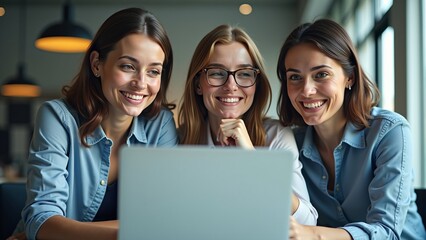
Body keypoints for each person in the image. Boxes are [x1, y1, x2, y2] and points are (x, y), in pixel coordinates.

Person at [9, 7, 178, 240]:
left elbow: (164, 218)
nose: (141, 83)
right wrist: (135, 232)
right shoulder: (57, 117)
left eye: (153, 71)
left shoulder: (161, 125)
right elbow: (42, 221)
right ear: (97, 64)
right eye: (128, 66)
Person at [277, 18, 426, 239]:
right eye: (295, 77)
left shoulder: (390, 131)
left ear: (350, 77)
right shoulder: (291, 144)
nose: (306, 90)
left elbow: (386, 231)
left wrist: (312, 234)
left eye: (321, 74)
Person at [178, 24, 318, 226]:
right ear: (198, 83)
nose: (231, 86)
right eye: (217, 73)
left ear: (256, 84)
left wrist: (253, 160)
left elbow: (308, 222)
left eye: (244, 73)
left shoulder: (276, 135)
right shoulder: (178, 139)